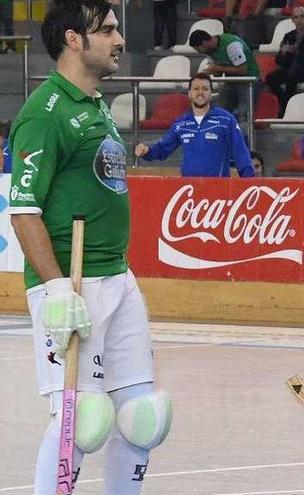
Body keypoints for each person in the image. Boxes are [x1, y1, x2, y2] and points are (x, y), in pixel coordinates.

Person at [7, 0, 171, 493]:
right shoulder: (44, 114)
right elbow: (23, 209)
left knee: (143, 416)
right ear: (73, 40)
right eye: (108, 31)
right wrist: (56, 289)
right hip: (71, 286)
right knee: (84, 420)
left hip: (118, 279)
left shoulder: (97, 103)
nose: (120, 41)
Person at [135, 73, 254, 177]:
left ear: (211, 93)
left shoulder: (226, 120)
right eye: (196, 89)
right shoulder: (181, 123)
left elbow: (240, 152)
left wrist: (249, 180)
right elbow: (162, 149)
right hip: (189, 192)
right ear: (189, 94)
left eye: (205, 89)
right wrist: (147, 151)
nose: (200, 92)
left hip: (218, 192)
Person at [189, 29, 262, 122]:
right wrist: (212, 72)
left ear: (205, 42)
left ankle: (242, 134)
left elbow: (243, 69)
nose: (200, 52)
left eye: (199, 49)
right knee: (218, 110)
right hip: (231, 80)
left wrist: (219, 69)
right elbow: (218, 73)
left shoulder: (231, 45)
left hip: (249, 80)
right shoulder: (210, 51)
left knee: (242, 113)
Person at [265, 7, 304, 108]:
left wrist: (297, 53)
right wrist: (283, 53)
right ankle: (283, 101)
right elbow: (280, 62)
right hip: (292, 70)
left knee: (293, 70)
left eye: (302, 16)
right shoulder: (289, 36)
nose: (299, 20)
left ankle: (284, 106)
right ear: (292, 20)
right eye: (296, 17)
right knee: (270, 77)